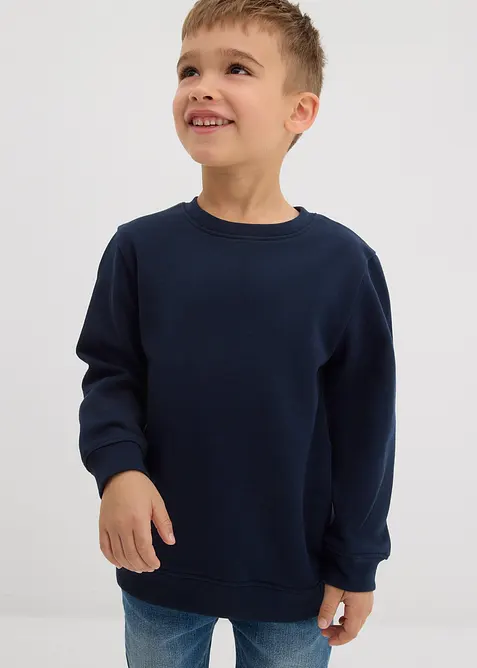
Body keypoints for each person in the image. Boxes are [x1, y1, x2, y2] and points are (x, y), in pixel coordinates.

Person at [75, 1, 396, 666]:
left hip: (294, 573)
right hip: (159, 560)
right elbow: (111, 376)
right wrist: (119, 471)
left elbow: (366, 427)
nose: (202, 86)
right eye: (188, 70)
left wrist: (357, 560)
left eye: (237, 69)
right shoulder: (139, 249)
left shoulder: (342, 263)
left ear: (298, 111)